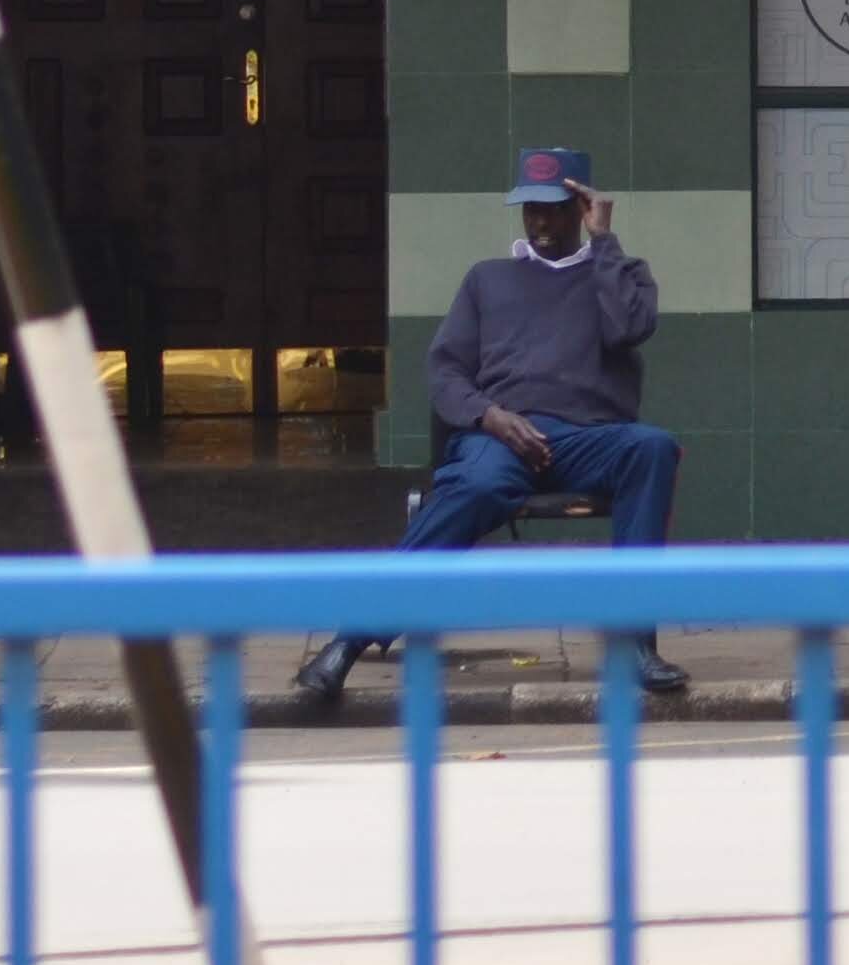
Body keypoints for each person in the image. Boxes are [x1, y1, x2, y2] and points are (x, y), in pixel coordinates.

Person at [294, 145, 687, 708]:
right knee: (475, 485)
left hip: (586, 438)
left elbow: (627, 329)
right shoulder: (488, 280)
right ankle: (347, 643)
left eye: (553, 208)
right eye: (530, 208)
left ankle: (635, 644)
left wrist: (604, 243)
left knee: (652, 448)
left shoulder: (621, 273)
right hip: (500, 435)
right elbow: (446, 370)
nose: (539, 220)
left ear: (581, 209)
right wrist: (491, 417)